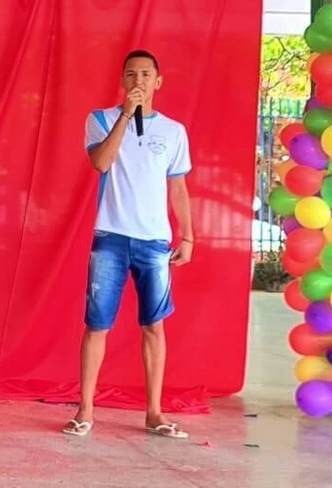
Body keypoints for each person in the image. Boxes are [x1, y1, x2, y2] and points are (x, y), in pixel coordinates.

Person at [63, 50, 194, 439]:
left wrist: (187, 235)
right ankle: (85, 408)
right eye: (131, 75)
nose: (139, 80)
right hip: (111, 237)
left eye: (146, 74)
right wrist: (124, 114)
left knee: (154, 325)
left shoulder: (173, 132)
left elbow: (179, 187)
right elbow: (101, 163)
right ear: (123, 81)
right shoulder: (100, 119)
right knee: (97, 324)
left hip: (154, 241)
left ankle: (154, 412)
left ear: (159, 81)